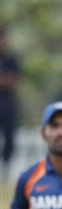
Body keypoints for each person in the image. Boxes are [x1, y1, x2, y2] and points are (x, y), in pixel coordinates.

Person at [0, 26, 20, 172]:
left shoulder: (11, 59)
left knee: (9, 137)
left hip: (7, 101)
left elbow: (13, 80)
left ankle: (6, 169)